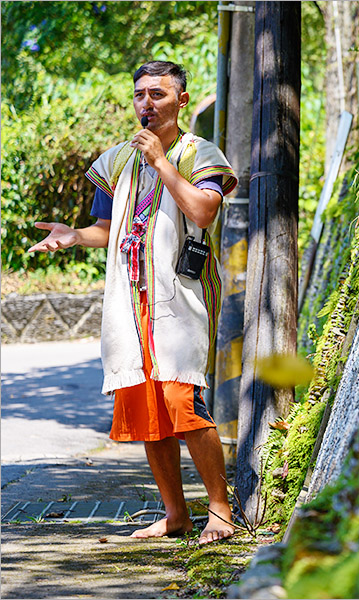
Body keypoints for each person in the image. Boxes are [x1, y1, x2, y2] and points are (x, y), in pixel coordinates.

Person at [28, 61, 237, 545]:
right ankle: (176, 515)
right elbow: (108, 228)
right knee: (146, 404)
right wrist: (73, 236)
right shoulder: (119, 159)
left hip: (180, 298)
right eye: (140, 94)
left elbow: (203, 211)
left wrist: (162, 161)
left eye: (158, 94)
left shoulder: (197, 153)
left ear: (181, 100)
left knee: (181, 398)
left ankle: (221, 512)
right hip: (130, 300)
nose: (147, 102)